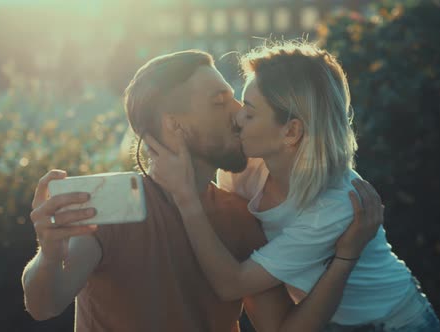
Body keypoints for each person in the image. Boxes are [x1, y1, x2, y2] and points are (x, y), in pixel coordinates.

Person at [22, 49, 383, 332]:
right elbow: (45, 304)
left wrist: (344, 258)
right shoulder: (112, 209)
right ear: (175, 126)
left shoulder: (241, 213)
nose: (240, 111)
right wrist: (49, 252)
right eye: (219, 101)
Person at [146, 42, 440, 331]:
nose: (236, 117)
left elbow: (232, 284)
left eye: (249, 113)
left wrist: (185, 198)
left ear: (291, 131)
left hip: (396, 322)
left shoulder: (334, 204)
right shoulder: (245, 170)